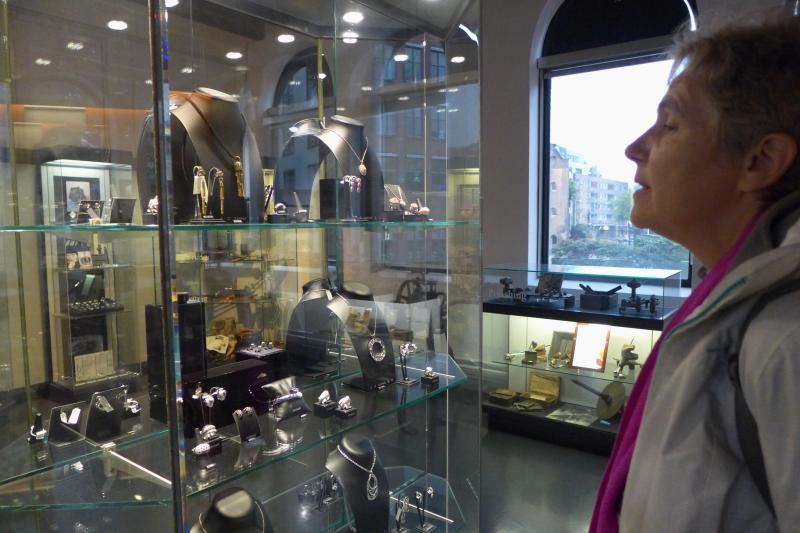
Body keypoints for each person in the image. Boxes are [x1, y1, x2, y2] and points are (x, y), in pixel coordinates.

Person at [590, 9, 800, 533]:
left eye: (670, 125)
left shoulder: (784, 339)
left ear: (760, 161)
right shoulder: (725, 306)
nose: (634, 148)